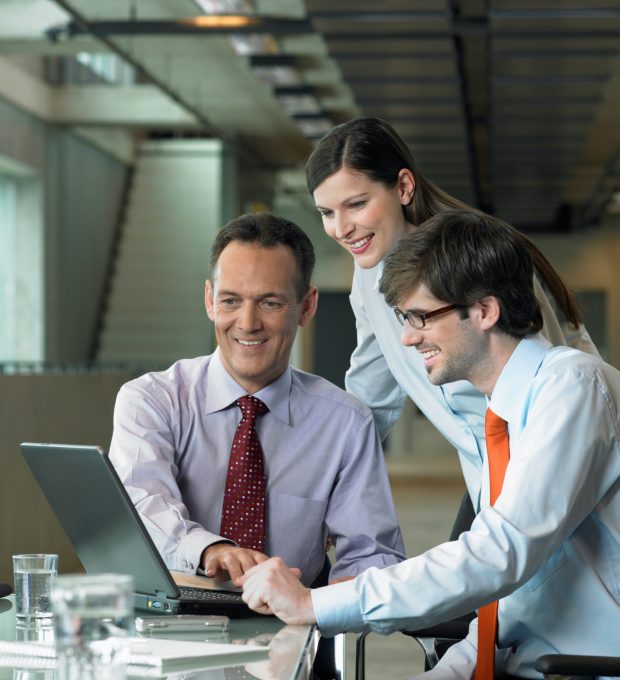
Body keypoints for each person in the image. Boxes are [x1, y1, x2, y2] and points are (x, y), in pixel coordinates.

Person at [241, 210, 620, 679]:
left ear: (484, 310)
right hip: (522, 658)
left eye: (421, 316)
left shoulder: (573, 389)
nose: (406, 337)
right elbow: (510, 607)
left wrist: (316, 603)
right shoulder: (500, 419)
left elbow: (499, 554)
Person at [305, 116, 598, 507]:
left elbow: (558, 383)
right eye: (326, 213)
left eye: (356, 205)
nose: (341, 228)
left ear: (404, 187)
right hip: (487, 477)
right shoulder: (368, 281)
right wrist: (324, 489)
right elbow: (371, 397)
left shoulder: (481, 259)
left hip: (552, 470)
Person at [109, 211, 405, 589]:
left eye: (270, 303)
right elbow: (141, 506)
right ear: (209, 301)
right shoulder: (151, 401)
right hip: (171, 621)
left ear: (307, 306)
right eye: (231, 301)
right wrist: (209, 550)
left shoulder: (345, 423)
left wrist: (327, 602)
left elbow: (374, 555)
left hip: (292, 624)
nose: (248, 323)